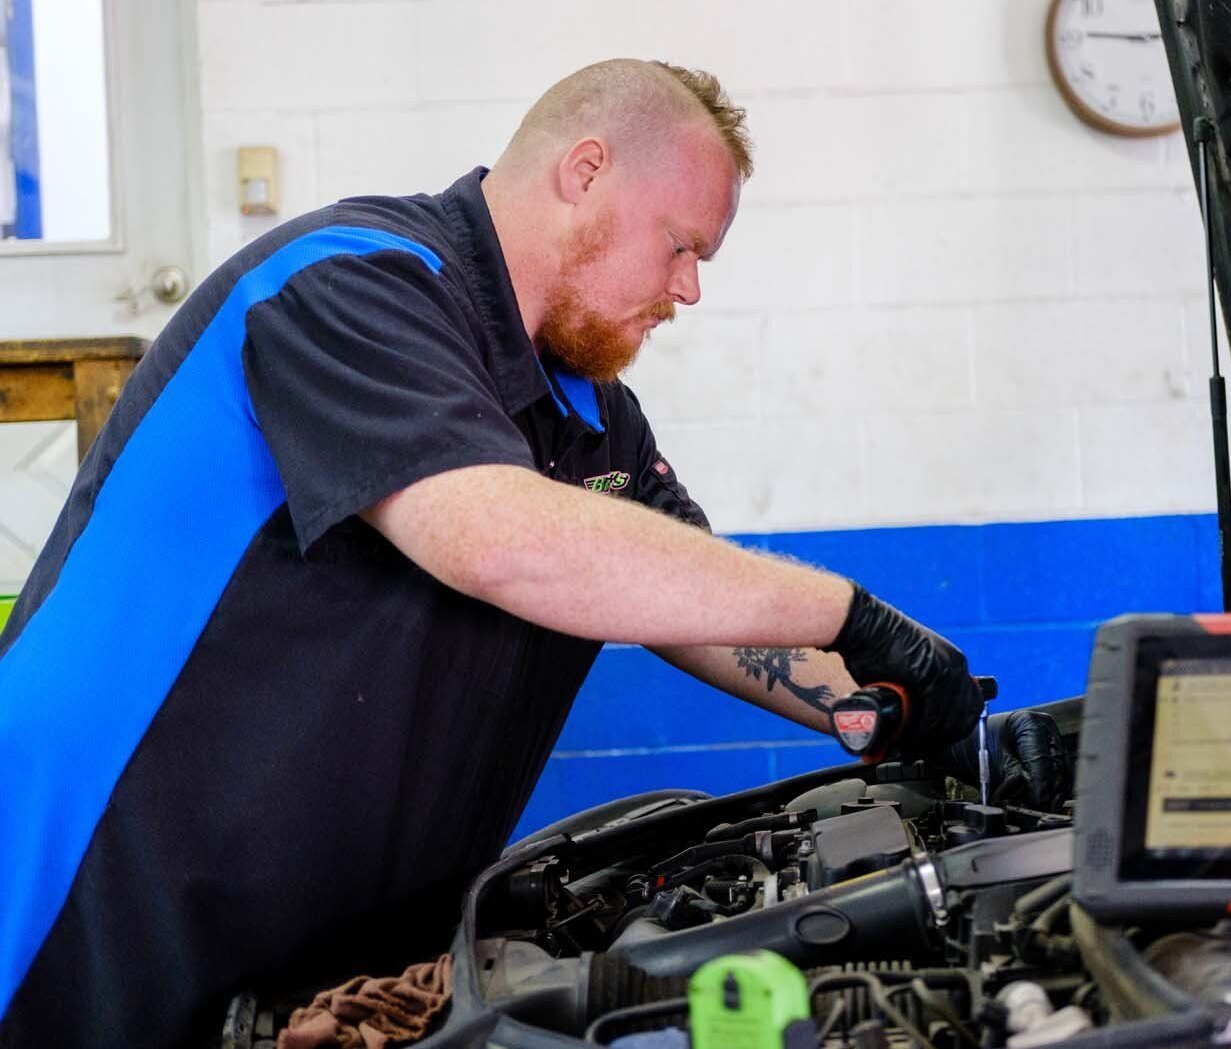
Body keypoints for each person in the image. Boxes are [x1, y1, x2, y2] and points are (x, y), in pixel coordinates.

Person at [0, 58, 1067, 1048]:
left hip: (310, 947)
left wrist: (899, 707)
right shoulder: (347, 284)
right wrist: (850, 610)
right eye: (681, 246)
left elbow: (689, 605)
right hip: (97, 895)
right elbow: (500, 539)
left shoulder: (589, 413)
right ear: (585, 172)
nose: (689, 290)